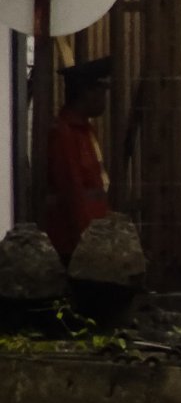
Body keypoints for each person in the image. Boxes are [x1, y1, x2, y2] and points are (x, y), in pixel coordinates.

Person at [44, 57, 111, 260]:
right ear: (86, 92)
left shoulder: (83, 131)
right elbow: (72, 190)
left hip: (89, 238)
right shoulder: (65, 134)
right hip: (75, 244)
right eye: (101, 91)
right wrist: (87, 243)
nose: (104, 99)